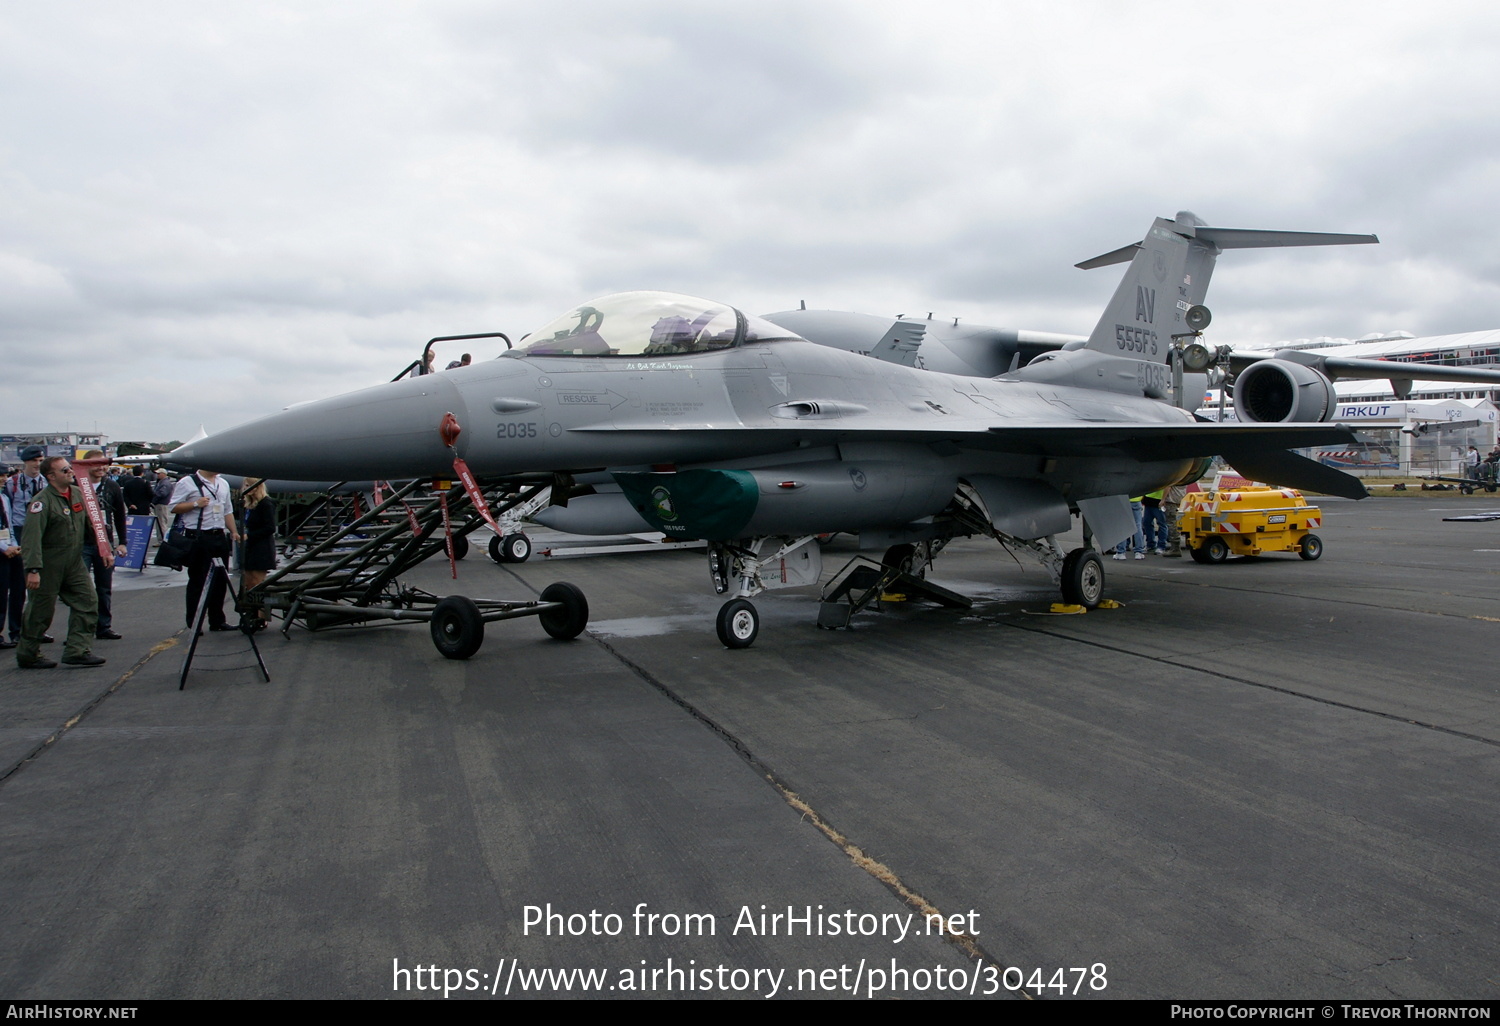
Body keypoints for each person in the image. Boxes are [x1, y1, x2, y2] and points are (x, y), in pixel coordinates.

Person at [15, 456, 104, 669]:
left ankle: (77, 650)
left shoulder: (77, 494)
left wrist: (104, 549)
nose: (70, 472)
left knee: (88, 601)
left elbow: (91, 524)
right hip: (48, 564)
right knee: (40, 611)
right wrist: (33, 569)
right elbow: (31, 538)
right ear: (51, 476)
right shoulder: (41, 502)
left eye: (70, 468)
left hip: (73, 562)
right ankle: (28, 654)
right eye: (65, 470)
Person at [170, 468, 240, 631]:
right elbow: (173, 506)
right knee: (198, 580)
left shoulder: (223, 483)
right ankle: (194, 622)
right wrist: (195, 504)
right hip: (198, 536)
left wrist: (234, 531)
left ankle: (217, 620)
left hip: (218, 535)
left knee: (220, 579)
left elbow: (227, 510)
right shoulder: (187, 483)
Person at [80, 451, 128, 641]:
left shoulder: (112, 486)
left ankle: (103, 626)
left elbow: (119, 516)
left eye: (103, 464)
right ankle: (80, 629)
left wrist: (123, 542)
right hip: (81, 542)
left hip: (104, 542)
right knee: (81, 588)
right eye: (95, 464)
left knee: (104, 587)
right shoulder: (78, 485)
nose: (100, 468)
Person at [3, 447, 48, 644]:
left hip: (41, 531)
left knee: (41, 587)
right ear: (25, 463)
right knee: (18, 586)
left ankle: (37, 628)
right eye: (34, 460)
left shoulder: (45, 482)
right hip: (19, 532)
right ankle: (16, 630)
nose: (38, 464)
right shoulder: (12, 484)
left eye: (40, 460)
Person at [238, 479, 277, 630]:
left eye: (251, 486)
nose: (249, 489)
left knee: (258, 583)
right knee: (248, 582)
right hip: (251, 547)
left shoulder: (265, 503)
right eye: (246, 486)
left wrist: (250, 536)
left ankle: (262, 616)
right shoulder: (248, 505)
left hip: (262, 547)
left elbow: (270, 527)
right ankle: (252, 613)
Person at [0, 468, 22, 649]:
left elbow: (9, 523)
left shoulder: (5, 498)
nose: (3, 479)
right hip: (2, 549)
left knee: (6, 593)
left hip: (8, 546)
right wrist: (4, 548)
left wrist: (13, 545)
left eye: (5, 476)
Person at [151, 468, 175, 539]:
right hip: (161, 504)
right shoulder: (161, 482)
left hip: (161, 504)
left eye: (159, 474)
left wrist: (154, 497)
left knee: (161, 523)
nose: (157, 475)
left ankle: (163, 539)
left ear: (163, 474)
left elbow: (162, 493)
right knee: (161, 523)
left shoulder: (165, 483)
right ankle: (161, 539)